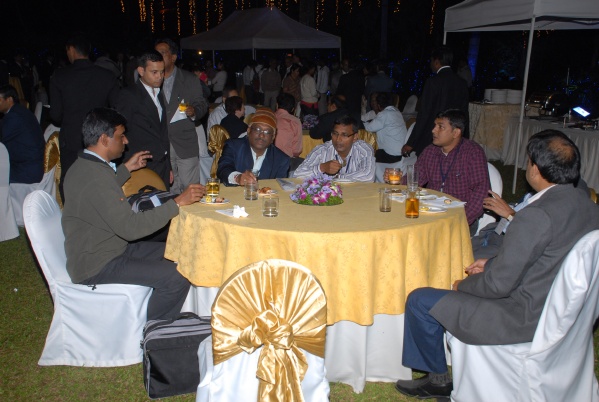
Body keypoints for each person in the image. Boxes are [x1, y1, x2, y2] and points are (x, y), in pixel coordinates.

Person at [394, 129, 599, 400]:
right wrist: (490, 264)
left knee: (420, 300)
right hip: (559, 308)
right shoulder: (587, 205)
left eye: (528, 161)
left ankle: (437, 380)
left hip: (521, 317)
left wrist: (462, 285)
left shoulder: (536, 215)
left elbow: (497, 286)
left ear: (536, 169)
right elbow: (544, 257)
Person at [62, 108, 206, 321]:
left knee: (178, 249)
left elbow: (102, 193)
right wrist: (177, 203)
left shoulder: (84, 166)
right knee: (177, 277)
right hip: (98, 264)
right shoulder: (96, 177)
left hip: (106, 248)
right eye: (121, 136)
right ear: (104, 139)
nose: (126, 141)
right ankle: (155, 330)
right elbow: (131, 228)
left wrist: (126, 169)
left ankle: (177, 311)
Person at [395, 109, 488, 235]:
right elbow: (415, 180)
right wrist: (398, 180)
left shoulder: (472, 152)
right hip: (431, 214)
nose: (434, 130)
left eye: (440, 127)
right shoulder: (430, 151)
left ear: (455, 132)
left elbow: (481, 192)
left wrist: (461, 219)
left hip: (460, 218)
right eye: (435, 126)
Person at [50, 34, 119, 200]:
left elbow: (55, 115)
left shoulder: (60, 76)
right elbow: (116, 110)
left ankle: (73, 213)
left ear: (71, 50)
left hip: (72, 138)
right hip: (100, 138)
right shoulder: (107, 76)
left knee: (70, 180)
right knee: (99, 180)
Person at [472, 176, 590, 260]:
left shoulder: (570, 192)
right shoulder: (542, 188)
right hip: (495, 233)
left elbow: (536, 234)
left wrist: (510, 214)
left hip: (511, 246)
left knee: (466, 261)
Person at [155, 38, 208, 194]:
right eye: (155, 53)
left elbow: (201, 103)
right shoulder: (151, 80)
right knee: (167, 188)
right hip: (161, 143)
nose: (158, 57)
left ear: (173, 57)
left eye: (162, 53)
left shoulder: (189, 79)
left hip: (185, 142)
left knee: (190, 188)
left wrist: (194, 110)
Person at [116, 51, 171, 189]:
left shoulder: (159, 94)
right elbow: (120, 132)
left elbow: (163, 133)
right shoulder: (128, 95)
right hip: (141, 166)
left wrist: (168, 165)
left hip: (162, 165)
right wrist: (127, 165)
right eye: (154, 72)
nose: (159, 76)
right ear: (141, 71)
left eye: (162, 72)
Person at [401, 46, 469, 157]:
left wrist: (411, 143)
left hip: (433, 138)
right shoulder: (462, 83)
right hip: (453, 137)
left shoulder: (433, 82)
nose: (431, 64)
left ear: (436, 61)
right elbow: (465, 115)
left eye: (431, 61)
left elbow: (424, 114)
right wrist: (465, 139)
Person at [217, 107, 289, 186]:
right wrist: (238, 178)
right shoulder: (233, 146)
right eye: (257, 129)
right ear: (248, 130)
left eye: (267, 132)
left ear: (273, 137)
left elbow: (279, 189)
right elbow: (223, 169)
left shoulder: (281, 159)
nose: (261, 135)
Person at [294, 115, 375, 182]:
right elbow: (297, 174)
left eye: (344, 135)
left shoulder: (363, 149)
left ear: (355, 137)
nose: (338, 139)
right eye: (335, 134)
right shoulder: (322, 150)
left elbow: (368, 176)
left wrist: (337, 178)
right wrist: (322, 168)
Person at [0, 84, 44, 184]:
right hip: (28, 165)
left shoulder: (15, 117)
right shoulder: (19, 111)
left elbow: (2, 142)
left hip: (26, 171)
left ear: (9, 100)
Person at [363, 92, 407, 164]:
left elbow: (368, 128)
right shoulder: (397, 112)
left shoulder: (384, 114)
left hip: (390, 155)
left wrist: (363, 122)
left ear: (379, 105)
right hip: (401, 153)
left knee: (364, 153)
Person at [274, 92, 303, 169]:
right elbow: (296, 150)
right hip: (286, 161)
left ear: (277, 105)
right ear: (293, 109)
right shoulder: (295, 121)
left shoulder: (269, 117)